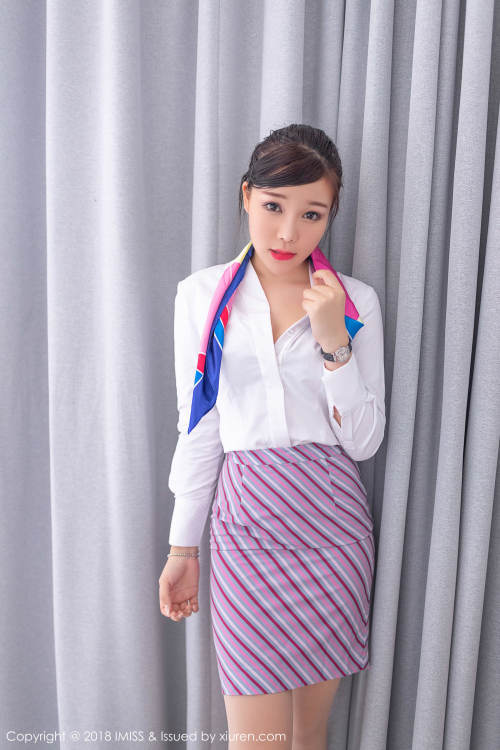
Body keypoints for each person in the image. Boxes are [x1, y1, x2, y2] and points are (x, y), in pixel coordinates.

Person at [159, 123, 385, 749]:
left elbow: (364, 442)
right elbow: (199, 426)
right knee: (257, 742)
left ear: (330, 216)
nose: (288, 232)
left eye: (312, 214)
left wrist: (334, 339)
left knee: (308, 737)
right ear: (246, 195)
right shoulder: (202, 297)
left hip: (333, 529)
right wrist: (183, 548)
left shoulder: (354, 300)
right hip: (246, 528)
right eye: (273, 206)